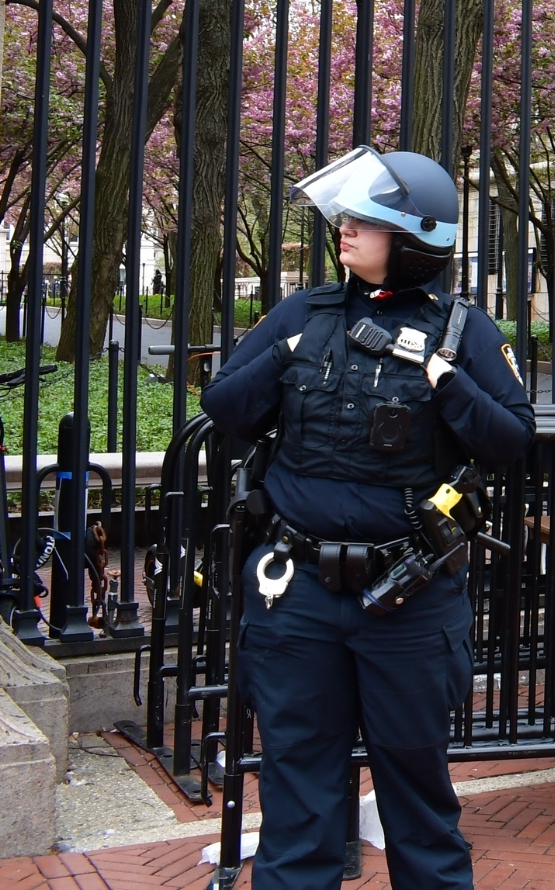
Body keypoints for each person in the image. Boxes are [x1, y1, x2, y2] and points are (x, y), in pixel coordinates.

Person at [202, 147, 535, 889]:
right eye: (346, 217)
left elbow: (512, 440)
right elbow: (224, 408)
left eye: (364, 221)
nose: (344, 230)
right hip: (299, 596)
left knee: (418, 799)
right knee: (297, 794)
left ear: (413, 239)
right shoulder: (303, 314)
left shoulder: (463, 331)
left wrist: (446, 383)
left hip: (409, 601)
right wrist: (282, 354)